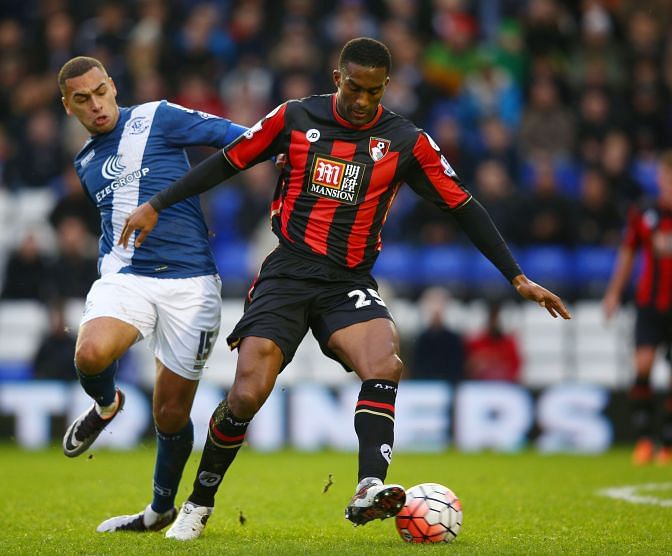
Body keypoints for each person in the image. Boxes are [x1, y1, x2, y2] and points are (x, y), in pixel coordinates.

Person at [119, 38, 571, 541]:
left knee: (385, 364)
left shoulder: (405, 141)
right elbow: (228, 161)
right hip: (288, 273)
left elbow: (462, 205)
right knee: (246, 394)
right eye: (354, 88)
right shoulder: (293, 117)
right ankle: (198, 506)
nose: (362, 100)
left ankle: (368, 486)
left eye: (373, 92)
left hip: (348, 281)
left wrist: (517, 277)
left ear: (386, 88)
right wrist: (158, 202)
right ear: (337, 79)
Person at [57, 56, 251, 533]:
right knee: (90, 354)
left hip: (191, 283)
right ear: (68, 107)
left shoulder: (157, 116)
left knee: (170, 411)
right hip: (128, 277)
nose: (96, 105)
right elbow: (111, 221)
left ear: (114, 86)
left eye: (101, 91)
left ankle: (159, 508)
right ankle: (107, 405)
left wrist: (283, 149)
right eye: (82, 99)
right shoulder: (85, 162)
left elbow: (234, 135)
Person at [603, 149, 672, 466]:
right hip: (649, 304)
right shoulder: (644, 213)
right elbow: (628, 253)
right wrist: (614, 292)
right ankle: (645, 440)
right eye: (667, 178)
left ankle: (669, 442)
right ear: (660, 179)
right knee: (643, 366)